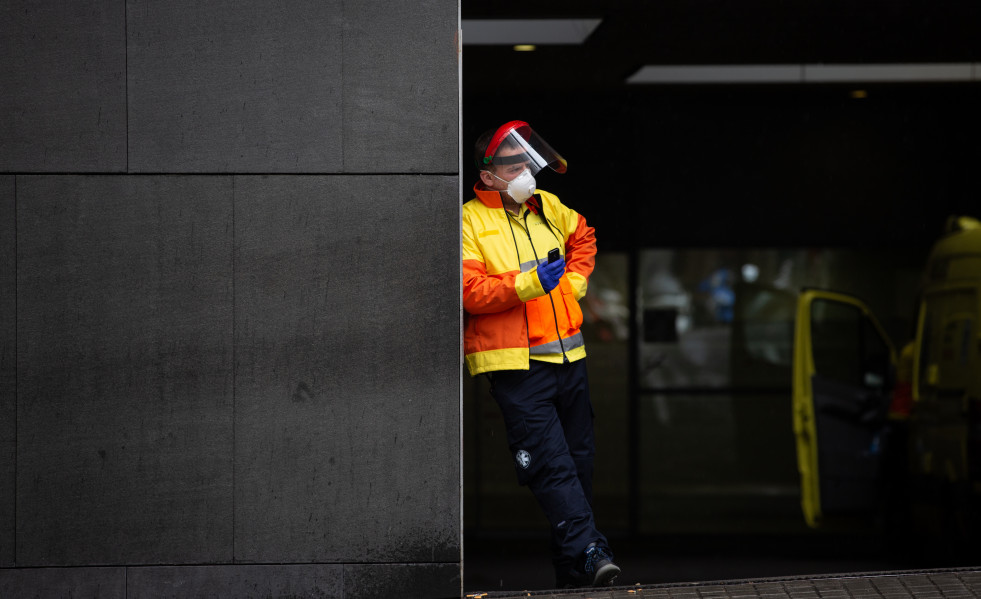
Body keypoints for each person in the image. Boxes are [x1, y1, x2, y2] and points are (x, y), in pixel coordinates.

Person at [461, 120, 620, 588]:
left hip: (569, 359)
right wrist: (533, 284)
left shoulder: (547, 206)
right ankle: (591, 551)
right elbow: (471, 292)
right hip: (515, 366)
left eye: (530, 162)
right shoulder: (470, 220)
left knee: (579, 464)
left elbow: (583, 236)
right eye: (515, 164)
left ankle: (573, 572)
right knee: (551, 464)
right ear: (489, 176)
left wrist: (571, 285)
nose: (527, 171)